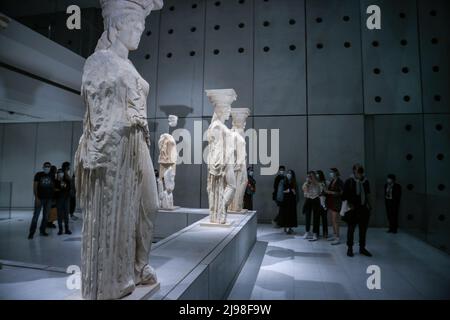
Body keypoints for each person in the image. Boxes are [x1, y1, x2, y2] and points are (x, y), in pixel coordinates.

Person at [342, 164, 372, 257]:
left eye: (361, 171)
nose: (360, 173)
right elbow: (344, 196)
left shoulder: (365, 181)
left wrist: (370, 206)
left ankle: (362, 248)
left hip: (363, 208)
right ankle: (350, 248)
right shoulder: (349, 181)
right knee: (351, 229)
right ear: (354, 171)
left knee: (363, 230)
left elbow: (367, 194)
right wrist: (350, 205)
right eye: (358, 171)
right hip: (352, 209)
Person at [28, 162, 54, 239]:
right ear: (43, 167)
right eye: (46, 166)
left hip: (49, 199)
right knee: (36, 216)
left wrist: (52, 198)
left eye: (49, 167)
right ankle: (31, 233)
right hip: (40, 198)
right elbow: (35, 186)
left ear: (50, 167)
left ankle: (42, 231)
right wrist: (36, 198)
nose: (47, 168)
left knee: (46, 217)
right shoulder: (38, 175)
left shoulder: (52, 175)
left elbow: (52, 186)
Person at [326, 168, 344, 245]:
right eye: (330, 172)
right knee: (332, 220)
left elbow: (342, 193)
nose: (331, 174)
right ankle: (334, 235)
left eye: (332, 172)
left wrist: (331, 192)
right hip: (332, 202)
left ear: (336, 173)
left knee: (335, 220)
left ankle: (337, 237)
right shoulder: (332, 181)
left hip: (337, 203)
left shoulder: (340, 182)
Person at [278, 170, 299, 234]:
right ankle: (285, 227)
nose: (288, 175)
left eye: (290, 173)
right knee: (285, 213)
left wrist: (293, 192)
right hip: (285, 200)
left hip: (292, 200)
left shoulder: (294, 182)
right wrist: (286, 191)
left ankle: (289, 227)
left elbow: (296, 192)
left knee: (291, 214)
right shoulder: (282, 181)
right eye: (288, 173)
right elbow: (279, 191)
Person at [302, 171, 321, 240]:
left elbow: (319, 191)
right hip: (308, 199)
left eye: (311, 176)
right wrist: (307, 184)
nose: (310, 177)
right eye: (309, 176)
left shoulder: (317, 183)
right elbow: (305, 192)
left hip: (316, 199)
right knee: (307, 216)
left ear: (314, 176)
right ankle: (307, 232)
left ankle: (315, 233)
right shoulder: (306, 183)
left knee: (316, 217)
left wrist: (313, 181)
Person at [55, 168, 72, 235]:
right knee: (59, 215)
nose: (60, 173)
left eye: (61, 172)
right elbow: (55, 190)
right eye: (59, 172)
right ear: (57, 174)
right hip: (59, 199)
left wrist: (60, 189)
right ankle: (60, 230)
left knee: (66, 215)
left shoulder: (67, 180)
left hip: (66, 199)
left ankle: (67, 229)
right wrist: (61, 188)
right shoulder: (55, 181)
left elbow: (68, 188)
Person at [316, 170, 329, 239]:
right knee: (317, 219)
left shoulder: (325, 182)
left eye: (318, 174)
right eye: (316, 174)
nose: (317, 175)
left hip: (324, 202)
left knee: (324, 219)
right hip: (317, 202)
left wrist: (324, 191)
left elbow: (327, 192)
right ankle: (317, 233)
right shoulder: (314, 183)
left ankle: (325, 233)